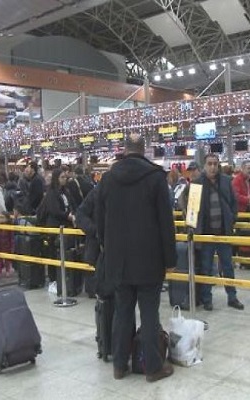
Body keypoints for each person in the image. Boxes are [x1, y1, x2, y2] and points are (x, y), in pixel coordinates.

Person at [96, 134, 176, 383]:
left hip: (118, 260)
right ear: (144, 150)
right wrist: (170, 258)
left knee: (122, 311)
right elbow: (166, 222)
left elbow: (100, 220)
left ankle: (120, 366)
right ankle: (153, 368)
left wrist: (107, 247)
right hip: (149, 260)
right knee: (150, 313)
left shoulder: (108, 179)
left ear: (124, 150)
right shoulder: (155, 177)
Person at [190, 153, 244, 311]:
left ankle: (232, 297)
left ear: (218, 165)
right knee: (206, 267)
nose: (213, 167)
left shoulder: (227, 181)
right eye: (209, 164)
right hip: (206, 234)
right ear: (204, 166)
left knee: (228, 266)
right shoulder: (197, 183)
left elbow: (234, 203)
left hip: (223, 232)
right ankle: (207, 299)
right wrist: (192, 228)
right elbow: (191, 208)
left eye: (215, 164)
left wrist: (232, 218)